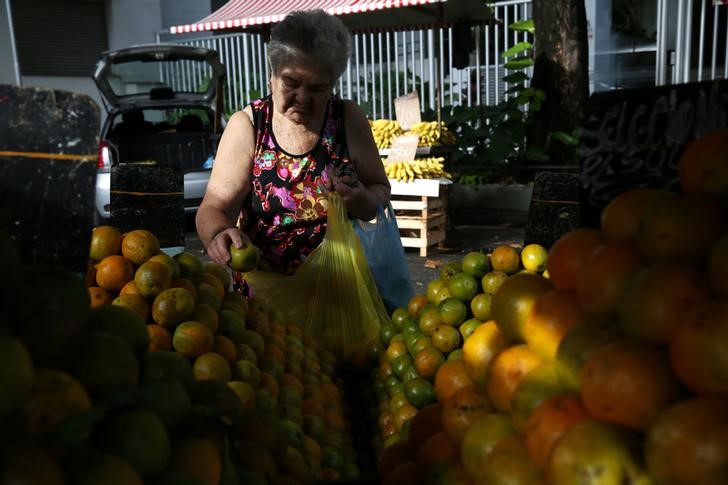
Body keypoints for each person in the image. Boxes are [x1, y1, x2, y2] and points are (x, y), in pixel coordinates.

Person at [196, 9, 390, 277]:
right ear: (271, 75)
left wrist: (361, 200)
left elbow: (379, 189)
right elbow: (214, 206)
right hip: (266, 302)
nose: (302, 97)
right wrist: (219, 233)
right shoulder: (249, 126)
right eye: (291, 82)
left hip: (339, 293)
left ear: (333, 84)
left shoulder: (348, 118)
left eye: (318, 88)